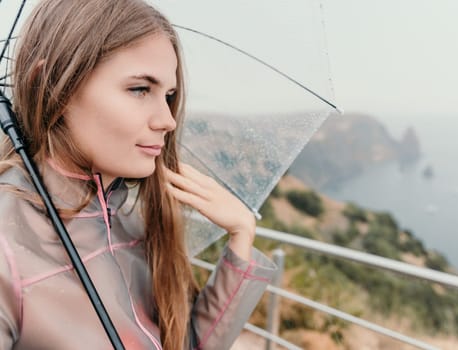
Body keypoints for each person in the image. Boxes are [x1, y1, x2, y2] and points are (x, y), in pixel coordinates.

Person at [0, 0, 276, 349]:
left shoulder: (132, 223)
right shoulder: (7, 248)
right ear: (51, 85)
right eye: (140, 89)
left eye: (169, 95)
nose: (168, 120)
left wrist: (241, 238)